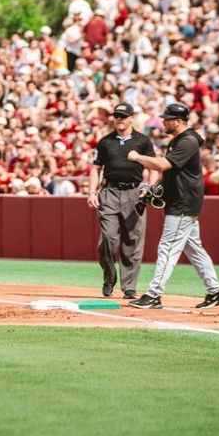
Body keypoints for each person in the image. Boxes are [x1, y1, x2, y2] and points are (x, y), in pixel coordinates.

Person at [125, 102, 219, 310]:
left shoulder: (188, 141)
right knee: (195, 250)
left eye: (167, 119)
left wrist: (137, 157)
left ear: (179, 121)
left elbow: (162, 165)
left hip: (183, 204)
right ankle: (215, 291)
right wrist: (153, 187)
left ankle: (154, 295)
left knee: (167, 248)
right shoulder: (179, 140)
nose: (163, 122)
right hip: (181, 202)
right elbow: (170, 172)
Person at [87, 102, 158, 299]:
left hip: (134, 193)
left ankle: (129, 287)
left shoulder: (142, 141)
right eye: (117, 116)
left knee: (132, 241)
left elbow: (153, 167)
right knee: (108, 238)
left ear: (131, 118)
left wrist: (149, 187)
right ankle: (109, 278)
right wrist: (92, 192)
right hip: (110, 191)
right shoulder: (105, 142)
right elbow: (96, 168)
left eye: (123, 116)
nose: (119, 119)